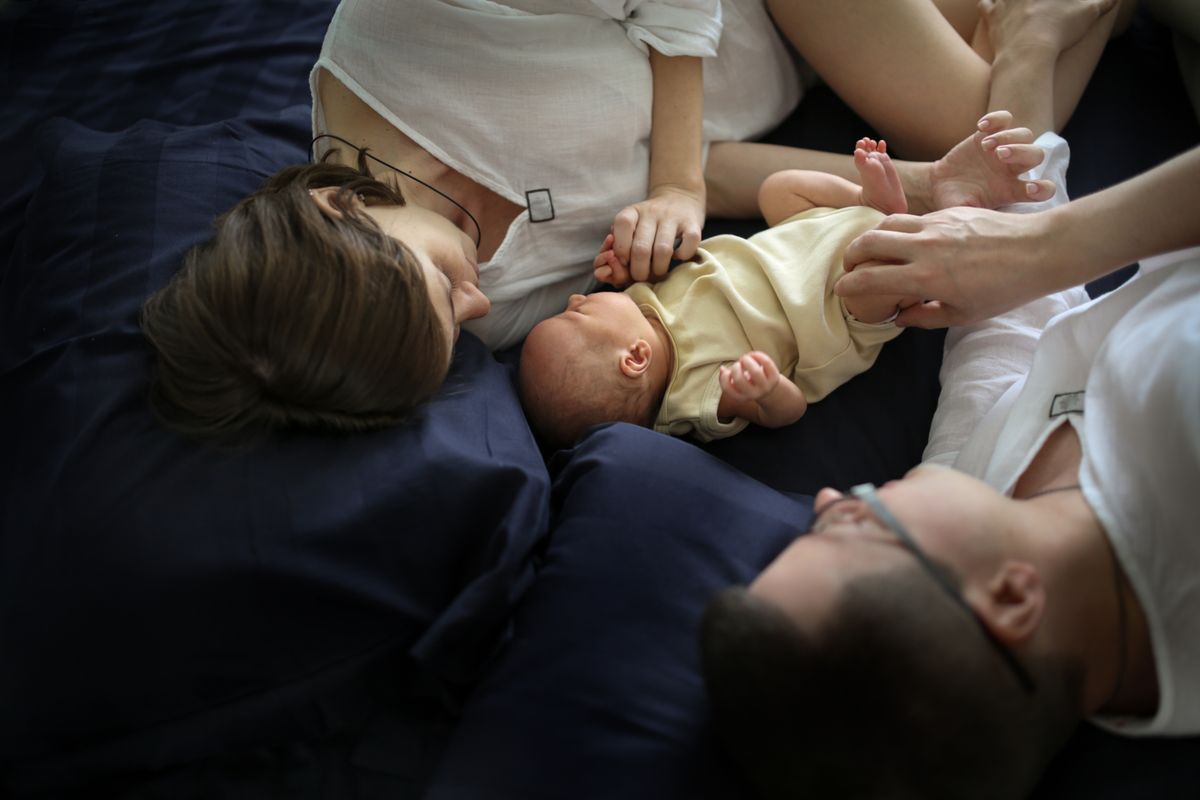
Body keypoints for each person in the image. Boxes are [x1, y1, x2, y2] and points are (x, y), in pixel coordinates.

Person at [140, 0, 1124, 441]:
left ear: (330, 204)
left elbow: (680, 174)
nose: (483, 300)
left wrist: (671, 183)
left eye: (441, 287)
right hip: (798, 60)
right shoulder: (516, 315)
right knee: (990, 140)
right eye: (459, 325)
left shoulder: (409, 28)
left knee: (978, 99)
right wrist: (918, 186)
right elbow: (714, 169)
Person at [698, 124, 1200, 798]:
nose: (826, 497)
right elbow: (1025, 261)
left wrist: (1026, 76)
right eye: (853, 523)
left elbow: (1006, 317)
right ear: (1011, 597)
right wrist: (1043, 247)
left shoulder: (976, 492)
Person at [518, 117, 1054, 449]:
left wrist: (630, 264)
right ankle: (908, 227)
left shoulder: (640, 303)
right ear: (634, 359)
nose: (577, 296)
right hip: (832, 308)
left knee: (779, 189)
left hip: (799, 237)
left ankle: (870, 207)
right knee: (874, 281)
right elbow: (788, 411)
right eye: (576, 314)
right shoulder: (692, 398)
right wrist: (764, 392)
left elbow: (664, 255)